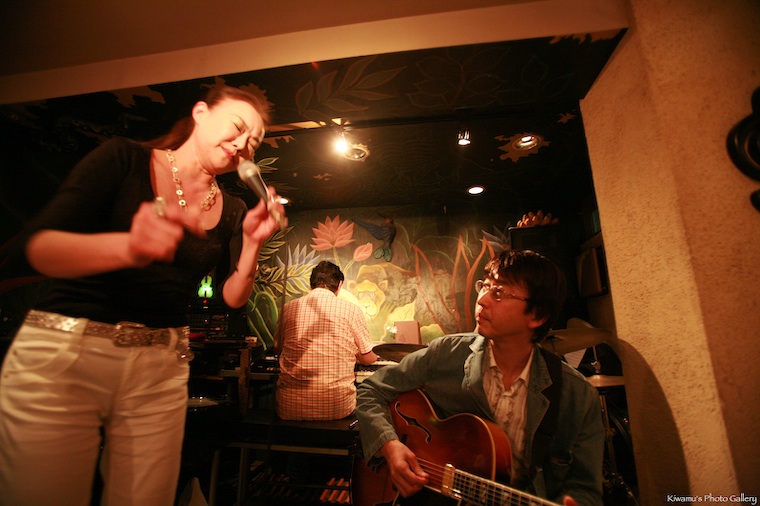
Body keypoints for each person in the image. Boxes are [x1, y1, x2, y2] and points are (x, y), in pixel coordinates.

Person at [0, 85, 287, 506]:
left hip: (160, 366)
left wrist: (252, 245)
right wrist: (128, 247)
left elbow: (232, 299)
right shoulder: (124, 158)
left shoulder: (233, 209)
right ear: (201, 113)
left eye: (255, 142)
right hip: (66, 353)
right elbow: (36, 249)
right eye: (239, 127)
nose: (244, 143)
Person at [355, 250, 605, 506]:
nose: (482, 300)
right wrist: (390, 445)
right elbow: (371, 390)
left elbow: (586, 490)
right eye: (484, 286)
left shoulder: (578, 396)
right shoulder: (447, 353)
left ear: (537, 316)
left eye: (499, 292)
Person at [274, 260, 378, 421]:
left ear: (311, 285)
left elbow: (278, 348)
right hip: (338, 409)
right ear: (339, 285)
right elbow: (368, 358)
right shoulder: (352, 310)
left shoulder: (287, 309)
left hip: (289, 409)